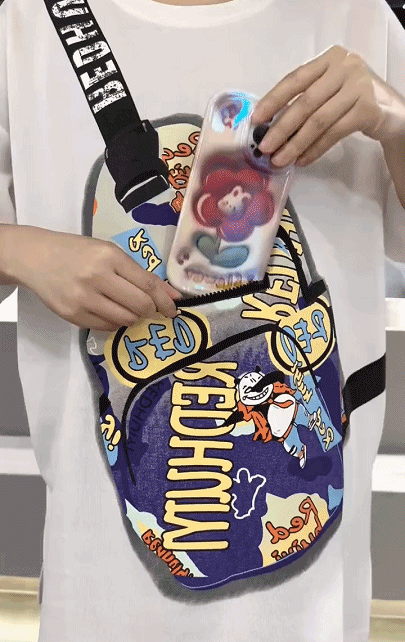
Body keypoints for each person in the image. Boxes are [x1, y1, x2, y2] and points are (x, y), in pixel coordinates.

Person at [0, 0, 405, 640]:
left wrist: (396, 120)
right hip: (101, 598)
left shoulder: (359, 16)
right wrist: (20, 251)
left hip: (313, 612)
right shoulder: (23, 25)